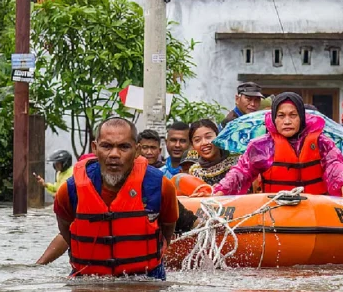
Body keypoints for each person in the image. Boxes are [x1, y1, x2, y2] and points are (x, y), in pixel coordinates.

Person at [46, 117, 179, 279]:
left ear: (137, 151)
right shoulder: (70, 189)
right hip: (88, 279)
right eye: (106, 146)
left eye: (124, 147)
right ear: (95, 148)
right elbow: (66, 229)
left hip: (146, 278)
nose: (114, 154)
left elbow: (168, 229)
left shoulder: (161, 186)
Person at [213, 92, 343, 196]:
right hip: (276, 209)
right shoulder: (261, 146)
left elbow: (335, 165)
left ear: (301, 117)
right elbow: (241, 172)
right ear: (274, 118)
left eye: (293, 115)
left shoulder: (321, 142)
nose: (287, 121)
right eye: (281, 116)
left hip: (316, 208)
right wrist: (220, 191)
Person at [185, 119, 240, 185]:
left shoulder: (238, 160)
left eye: (208, 137)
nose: (204, 143)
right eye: (197, 140)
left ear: (218, 137)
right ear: (192, 145)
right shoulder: (195, 171)